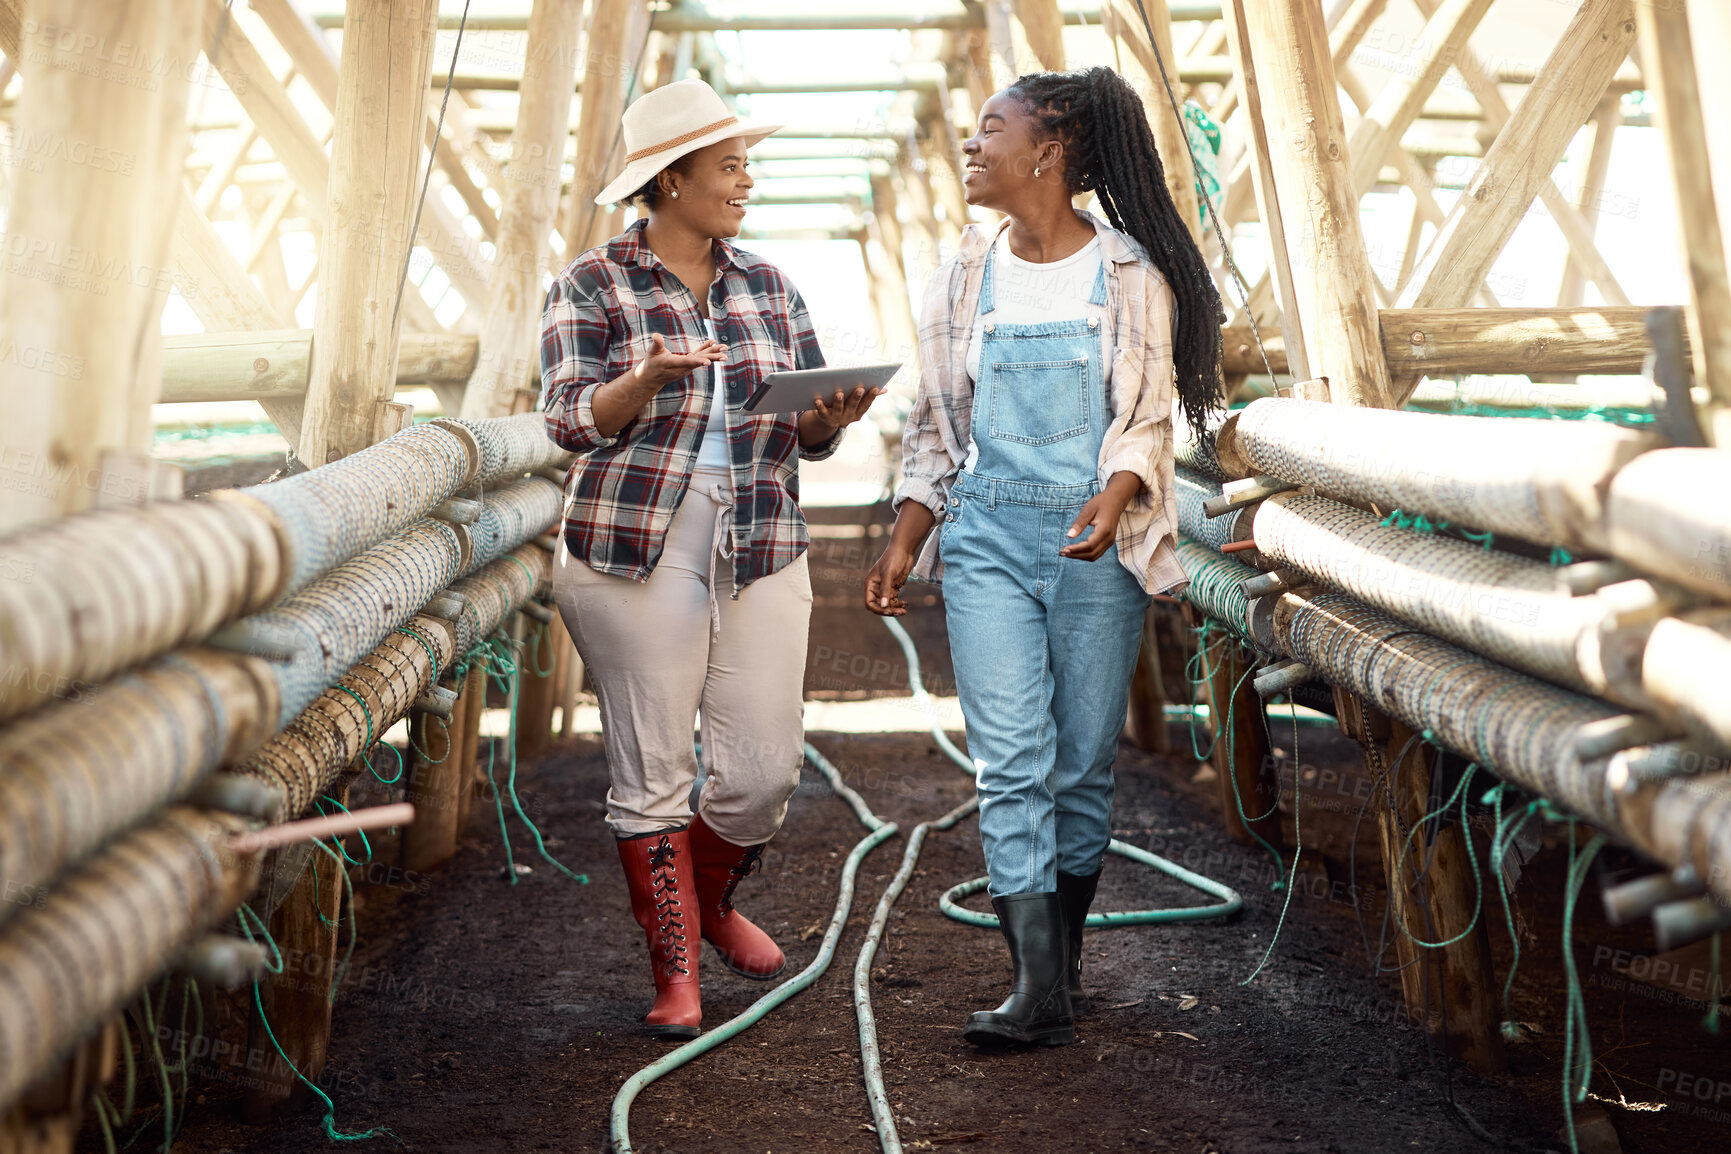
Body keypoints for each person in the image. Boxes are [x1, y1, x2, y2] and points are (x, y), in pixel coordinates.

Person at [865, 67, 1225, 1047]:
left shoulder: (1129, 277)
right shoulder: (960, 280)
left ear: (1048, 153)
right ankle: (1031, 984)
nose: (970, 146)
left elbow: (1146, 418)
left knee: (1078, 766)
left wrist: (1112, 504)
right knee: (1011, 761)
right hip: (986, 539)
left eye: (991, 129)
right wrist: (907, 539)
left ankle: (1060, 963)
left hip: (1093, 544)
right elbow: (938, 435)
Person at [542, 78, 882, 1040]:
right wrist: (638, 382)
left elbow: (806, 437)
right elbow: (572, 419)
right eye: (728, 165)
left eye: (744, 164)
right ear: (671, 179)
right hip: (629, 550)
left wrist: (828, 416)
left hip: (760, 543)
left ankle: (709, 898)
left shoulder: (768, 285)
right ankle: (677, 969)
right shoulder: (591, 285)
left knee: (761, 772)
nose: (745, 181)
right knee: (651, 769)